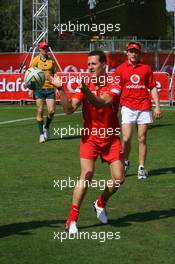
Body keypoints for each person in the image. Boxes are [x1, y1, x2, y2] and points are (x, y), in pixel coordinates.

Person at [48, 50, 124, 234]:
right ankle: (71, 220)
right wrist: (61, 90)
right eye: (88, 64)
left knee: (119, 178)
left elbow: (101, 103)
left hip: (111, 136)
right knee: (87, 173)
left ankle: (100, 202)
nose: (89, 67)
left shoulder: (114, 82)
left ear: (104, 65)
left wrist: (85, 90)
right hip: (90, 137)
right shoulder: (85, 83)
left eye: (93, 64)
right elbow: (68, 109)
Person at [115, 42, 161, 179]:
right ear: (127, 52)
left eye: (136, 51)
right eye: (131, 51)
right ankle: (126, 162)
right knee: (126, 138)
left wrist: (157, 106)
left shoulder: (146, 68)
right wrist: (114, 108)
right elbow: (116, 90)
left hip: (144, 107)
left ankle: (141, 167)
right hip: (127, 106)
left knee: (142, 138)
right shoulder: (120, 69)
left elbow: (152, 87)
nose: (133, 54)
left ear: (139, 54)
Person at [28, 41, 57, 143]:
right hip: (39, 89)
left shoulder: (51, 61)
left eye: (46, 48)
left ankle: (46, 127)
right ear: (39, 49)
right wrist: (31, 88)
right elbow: (30, 74)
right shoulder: (35, 60)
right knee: (40, 110)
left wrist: (57, 87)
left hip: (50, 89)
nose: (45, 49)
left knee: (51, 111)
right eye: (43, 48)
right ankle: (41, 134)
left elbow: (55, 74)